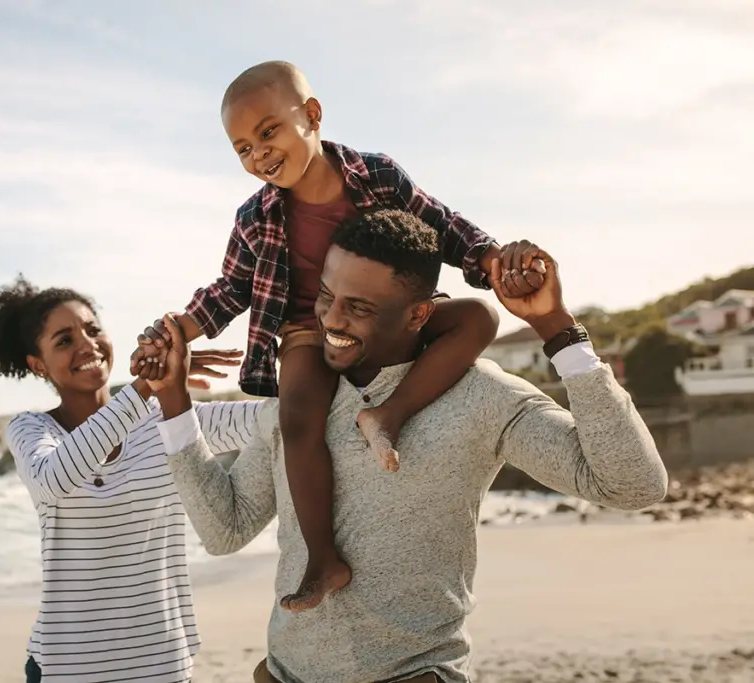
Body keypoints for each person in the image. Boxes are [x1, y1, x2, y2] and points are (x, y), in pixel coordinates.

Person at [148, 209, 668, 683]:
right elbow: (224, 530)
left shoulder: (478, 395)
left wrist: (555, 327)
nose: (331, 321)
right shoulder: (299, 404)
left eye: (359, 308)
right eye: (326, 297)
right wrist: (174, 402)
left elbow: (633, 484)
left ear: (419, 314)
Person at [130, 60, 544, 613]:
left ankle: (388, 416)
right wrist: (179, 326)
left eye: (268, 132)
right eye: (243, 149)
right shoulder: (255, 217)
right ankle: (323, 560)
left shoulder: (377, 176)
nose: (259, 155)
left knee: (478, 320)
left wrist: (493, 258)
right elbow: (232, 287)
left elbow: (444, 226)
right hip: (309, 327)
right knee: (297, 414)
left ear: (312, 115)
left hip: (387, 318)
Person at [0, 275, 260, 683]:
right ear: (37, 365)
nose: (87, 345)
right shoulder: (31, 430)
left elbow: (271, 423)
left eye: (92, 330)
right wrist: (147, 385)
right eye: (64, 340)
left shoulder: (169, 419)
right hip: (67, 668)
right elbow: (55, 479)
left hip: (163, 665)